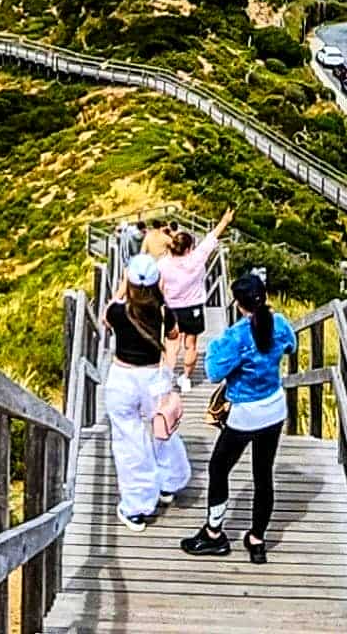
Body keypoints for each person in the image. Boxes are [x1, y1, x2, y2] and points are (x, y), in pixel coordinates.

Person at [179, 266, 291, 564]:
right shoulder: (280, 323)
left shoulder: (236, 336)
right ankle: (256, 539)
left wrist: (217, 344)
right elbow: (291, 345)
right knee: (263, 474)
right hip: (275, 409)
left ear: (238, 304)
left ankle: (214, 534)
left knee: (219, 469)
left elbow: (215, 372)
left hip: (245, 414)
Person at [102, 256, 192, 523]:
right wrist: (169, 369)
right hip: (155, 376)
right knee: (163, 430)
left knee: (130, 442)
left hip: (123, 377)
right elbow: (174, 338)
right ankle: (169, 482)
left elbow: (105, 317)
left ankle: (138, 507)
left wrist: (121, 286)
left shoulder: (119, 311)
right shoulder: (164, 312)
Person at [155, 210, 228, 352]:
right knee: (191, 345)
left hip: (171, 307)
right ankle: (187, 374)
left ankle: (169, 371)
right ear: (188, 248)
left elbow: (158, 285)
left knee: (172, 344)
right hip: (193, 306)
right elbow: (212, 236)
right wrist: (225, 220)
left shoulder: (162, 264)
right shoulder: (197, 257)